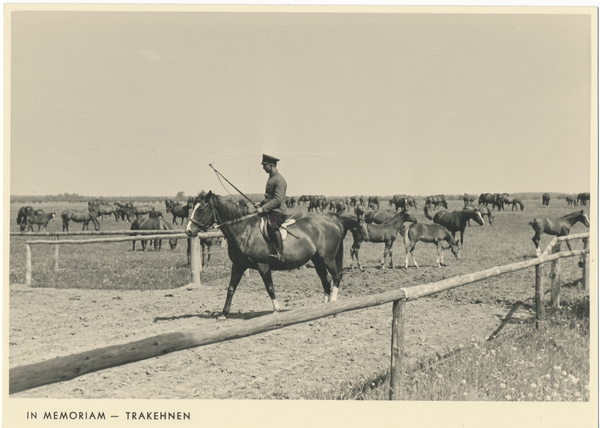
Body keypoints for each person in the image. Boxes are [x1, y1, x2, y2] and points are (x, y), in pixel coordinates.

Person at [255, 154, 287, 261]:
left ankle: (279, 252)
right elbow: (270, 198)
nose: (263, 167)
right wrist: (260, 204)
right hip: (271, 210)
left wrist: (263, 208)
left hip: (278, 212)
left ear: (271, 165)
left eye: (264, 165)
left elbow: (277, 200)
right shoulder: (271, 178)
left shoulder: (280, 180)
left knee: (271, 226)